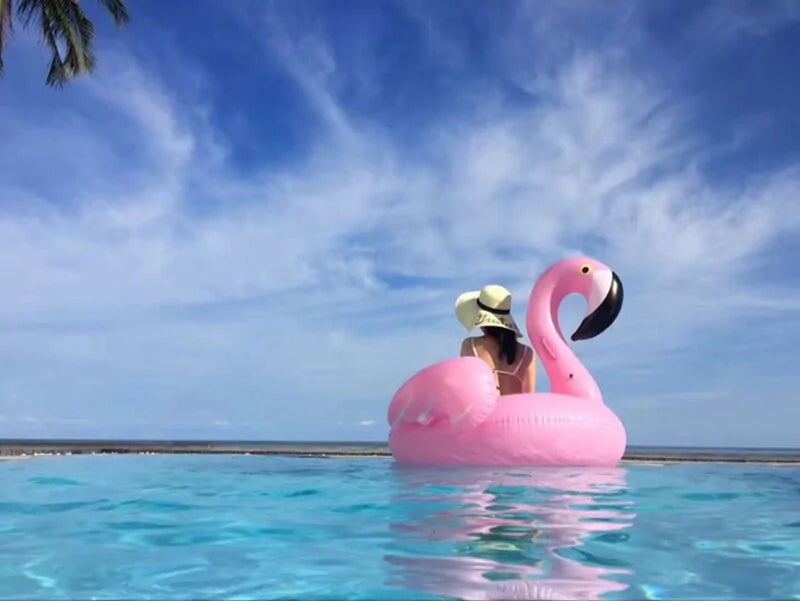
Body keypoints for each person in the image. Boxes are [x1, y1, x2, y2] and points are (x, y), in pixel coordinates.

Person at [454, 284, 536, 395]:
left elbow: (466, 390)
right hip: (515, 411)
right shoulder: (526, 353)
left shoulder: (470, 345)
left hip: (485, 412)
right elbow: (529, 397)